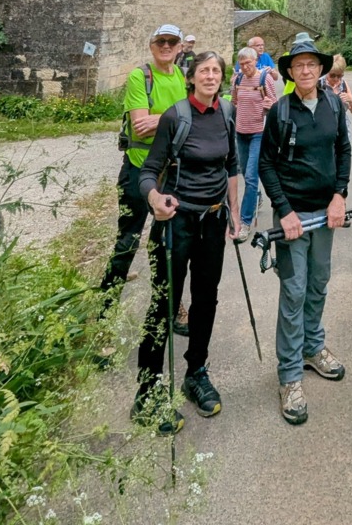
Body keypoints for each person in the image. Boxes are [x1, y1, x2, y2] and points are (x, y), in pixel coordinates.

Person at [133, 50, 241, 434]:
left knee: (206, 299)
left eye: (217, 71)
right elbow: (148, 172)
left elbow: (231, 165)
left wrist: (235, 210)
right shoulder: (175, 116)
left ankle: (196, 372)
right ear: (191, 78)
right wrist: (155, 199)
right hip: (176, 222)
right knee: (164, 303)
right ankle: (147, 393)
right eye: (204, 71)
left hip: (213, 220)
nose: (211, 76)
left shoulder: (227, 113)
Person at [259, 34, 352, 426]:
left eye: (312, 64)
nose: (306, 70)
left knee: (318, 282)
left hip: (325, 213)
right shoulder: (280, 112)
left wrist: (339, 195)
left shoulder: (333, 104)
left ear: (321, 68)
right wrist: (284, 211)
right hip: (293, 217)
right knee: (294, 290)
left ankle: (313, 347)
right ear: (291, 72)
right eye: (299, 65)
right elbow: (265, 164)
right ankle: (289, 375)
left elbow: (343, 150)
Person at [99, 25, 187, 308]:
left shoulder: (182, 76)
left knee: (164, 243)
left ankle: (166, 307)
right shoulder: (141, 76)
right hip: (138, 169)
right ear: (151, 46)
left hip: (169, 171)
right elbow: (140, 126)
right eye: (160, 41)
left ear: (180, 47)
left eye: (172, 41)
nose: (166, 46)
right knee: (128, 238)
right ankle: (106, 305)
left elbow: (190, 122)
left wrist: (159, 119)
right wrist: (176, 119)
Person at [232, 45, 277, 239]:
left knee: (251, 177)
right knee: (245, 174)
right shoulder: (238, 79)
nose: (245, 67)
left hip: (259, 132)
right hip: (240, 133)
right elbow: (234, 102)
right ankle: (256, 198)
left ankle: (245, 222)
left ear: (255, 61)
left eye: (248, 63)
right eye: (241, 64)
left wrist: (269, 105)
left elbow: (276, 105)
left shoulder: (264, 78)